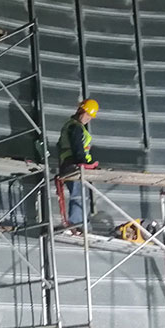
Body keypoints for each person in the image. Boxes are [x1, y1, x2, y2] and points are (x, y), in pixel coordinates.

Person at [58, 98, 100, 231]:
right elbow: (77, 148)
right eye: (88, 115)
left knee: (82, 194)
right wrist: (86, 162)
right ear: (81, 111)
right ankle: (76, 223)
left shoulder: (73, 126)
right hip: (74, 165)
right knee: (78, 194)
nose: (89, 118)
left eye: (90, 116)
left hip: (70, 164)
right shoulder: (75, 127)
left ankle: (81, 223)